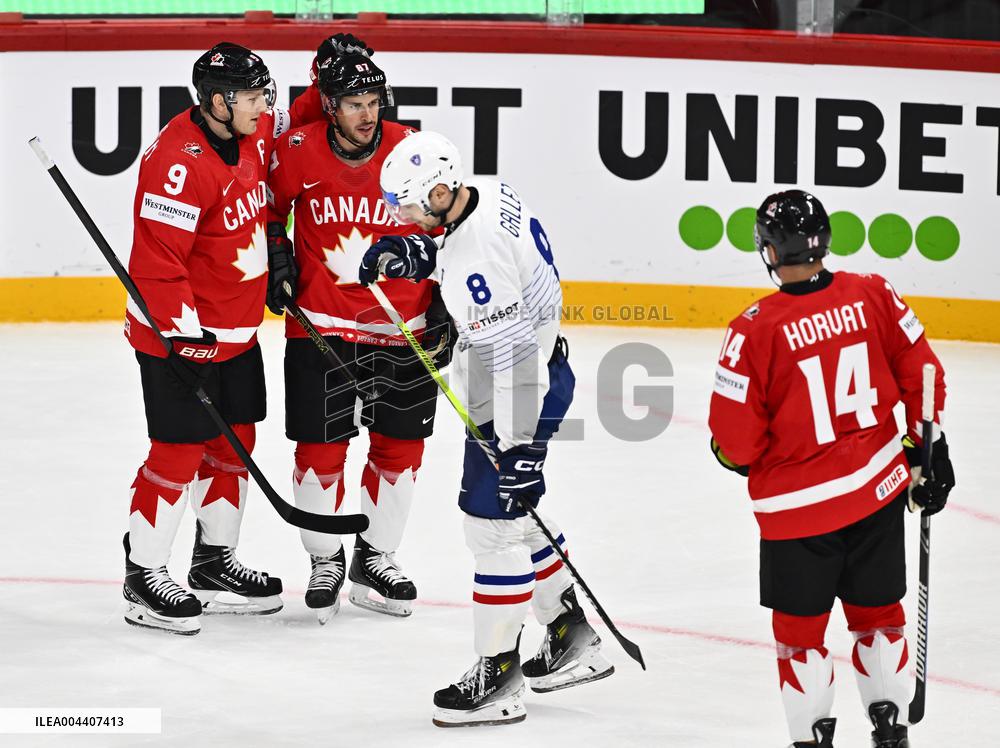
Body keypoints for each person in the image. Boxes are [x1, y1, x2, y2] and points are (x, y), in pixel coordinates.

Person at [358, 130, 614, 727]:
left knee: (491, 526)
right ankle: (571, 632)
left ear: (441, 190)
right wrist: (423, 254)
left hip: (520, 393)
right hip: (537, 372)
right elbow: (480, 259)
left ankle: (498, 677)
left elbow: (517, 359)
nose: (403, 215)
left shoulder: (478, 256)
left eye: (411, 206)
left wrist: (520, 449)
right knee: (516, 518)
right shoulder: (489, 193)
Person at [707, 190, 956, 747]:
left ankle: (812, 739)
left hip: (798, 516)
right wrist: (927, 449)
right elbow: (924, 375)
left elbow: (735, 442)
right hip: (876, 494)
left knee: (800, 637)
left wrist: (730, 455)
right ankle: (889, 731)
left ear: (768, 249)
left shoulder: (752, 330)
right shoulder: (874, 293)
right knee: (879, 617)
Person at [121, 41, 330, 635]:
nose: (266, 106)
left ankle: (213, 564)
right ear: (218, 101)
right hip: (179, 336)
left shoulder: (253, 127)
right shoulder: (177, 162)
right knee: (178, 451)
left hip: (237, 331)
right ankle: (144, 575)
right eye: (254, 96)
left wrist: (328, 76)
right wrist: (182, 341)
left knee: (235, 442)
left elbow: (306, 114)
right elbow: (158, 262)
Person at [266, 46, 454, 623]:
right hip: (322, 325)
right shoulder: (296, 149)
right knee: (320, 449)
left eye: (374, 102)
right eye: (353, 103)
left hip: (402, 325)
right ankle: (325, 558)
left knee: (400, 449)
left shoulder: (412, 150)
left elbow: (448, 224)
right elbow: (270, 207)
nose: (367, 115)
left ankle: (377, 558)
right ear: (328, 106)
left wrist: (444, 301)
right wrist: (278, 254)